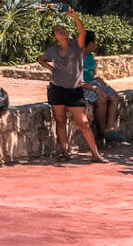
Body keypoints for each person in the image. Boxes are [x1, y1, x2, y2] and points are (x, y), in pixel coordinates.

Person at [37, 9, 104, 162]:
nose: (61, 31)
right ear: (55, 37)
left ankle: (95, 154)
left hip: (74, 91)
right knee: (60, 121)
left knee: (84, 123)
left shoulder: (76, 46)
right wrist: (51, 69)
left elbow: (82, 33)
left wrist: (74, 17)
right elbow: (41, 59)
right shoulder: (52, 50)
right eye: (58, 31)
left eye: (63, 29)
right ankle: (65, 153)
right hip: (57, 90)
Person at [82, 30, 122, 140]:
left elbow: (92, 74)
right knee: (102, 99)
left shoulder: (90, 56)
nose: (96, 45)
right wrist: (95, 88)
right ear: (89, 44)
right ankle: (102, 130)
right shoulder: (76, 58)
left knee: (114, 97)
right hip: (82, 86)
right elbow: (77, 81)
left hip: (92, 82)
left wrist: (99, 80)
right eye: (94, 42)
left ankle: (109, 128)